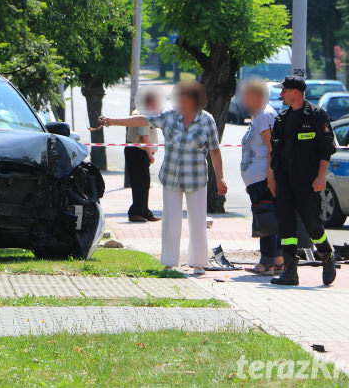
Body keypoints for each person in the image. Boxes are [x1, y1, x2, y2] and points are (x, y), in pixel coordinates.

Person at [100, 80, 227, 274]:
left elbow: (215, 150)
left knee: (198, 221)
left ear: (195, 100)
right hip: (171, 176)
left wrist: (220, 178)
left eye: (184, 96)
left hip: (197, 178)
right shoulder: (169, 116)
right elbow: (142, 120)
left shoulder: (207, 119)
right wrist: (113, 121)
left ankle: (199, 262)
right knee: (170, 221)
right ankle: (169, 262)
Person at [269, 75, 337, 286]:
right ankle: (290, 271)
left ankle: (326, 254)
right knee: (286, 227)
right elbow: (275, 153)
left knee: (312, 224)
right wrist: (272, 179)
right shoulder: (282, 118)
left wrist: (321, 176)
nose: (281, 94)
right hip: (285, 181)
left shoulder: (317, 115)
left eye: (284, 90)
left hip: (308, 181)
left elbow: (326, 150)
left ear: (295, 92)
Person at [239, 78, 283, 275]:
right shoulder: (259, 116)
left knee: (266, 219)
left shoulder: (265, 115)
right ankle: (278, 260)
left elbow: (271, 148)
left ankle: (267, 263)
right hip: (257, 179)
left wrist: (270, 177)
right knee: (268, 217)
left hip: (263, 179)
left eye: (246, 94)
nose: (243, 98)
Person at [125, 88, 162, 222]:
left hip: (139, 151)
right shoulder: (142, 114)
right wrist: (150, 154)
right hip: (138, 151)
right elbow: (144, 136)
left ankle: (144, 211)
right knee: (140, 183)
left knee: (144, 183)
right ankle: (136, 212)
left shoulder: (144, 113)